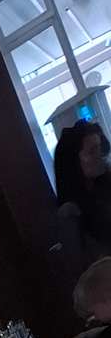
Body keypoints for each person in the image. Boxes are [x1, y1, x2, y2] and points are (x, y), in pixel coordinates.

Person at [54, 119, 111, 279]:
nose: (100, 155)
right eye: (92, 151)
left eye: (100, 148)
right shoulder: (71, 211)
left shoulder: (105, 187)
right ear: (73, 161)